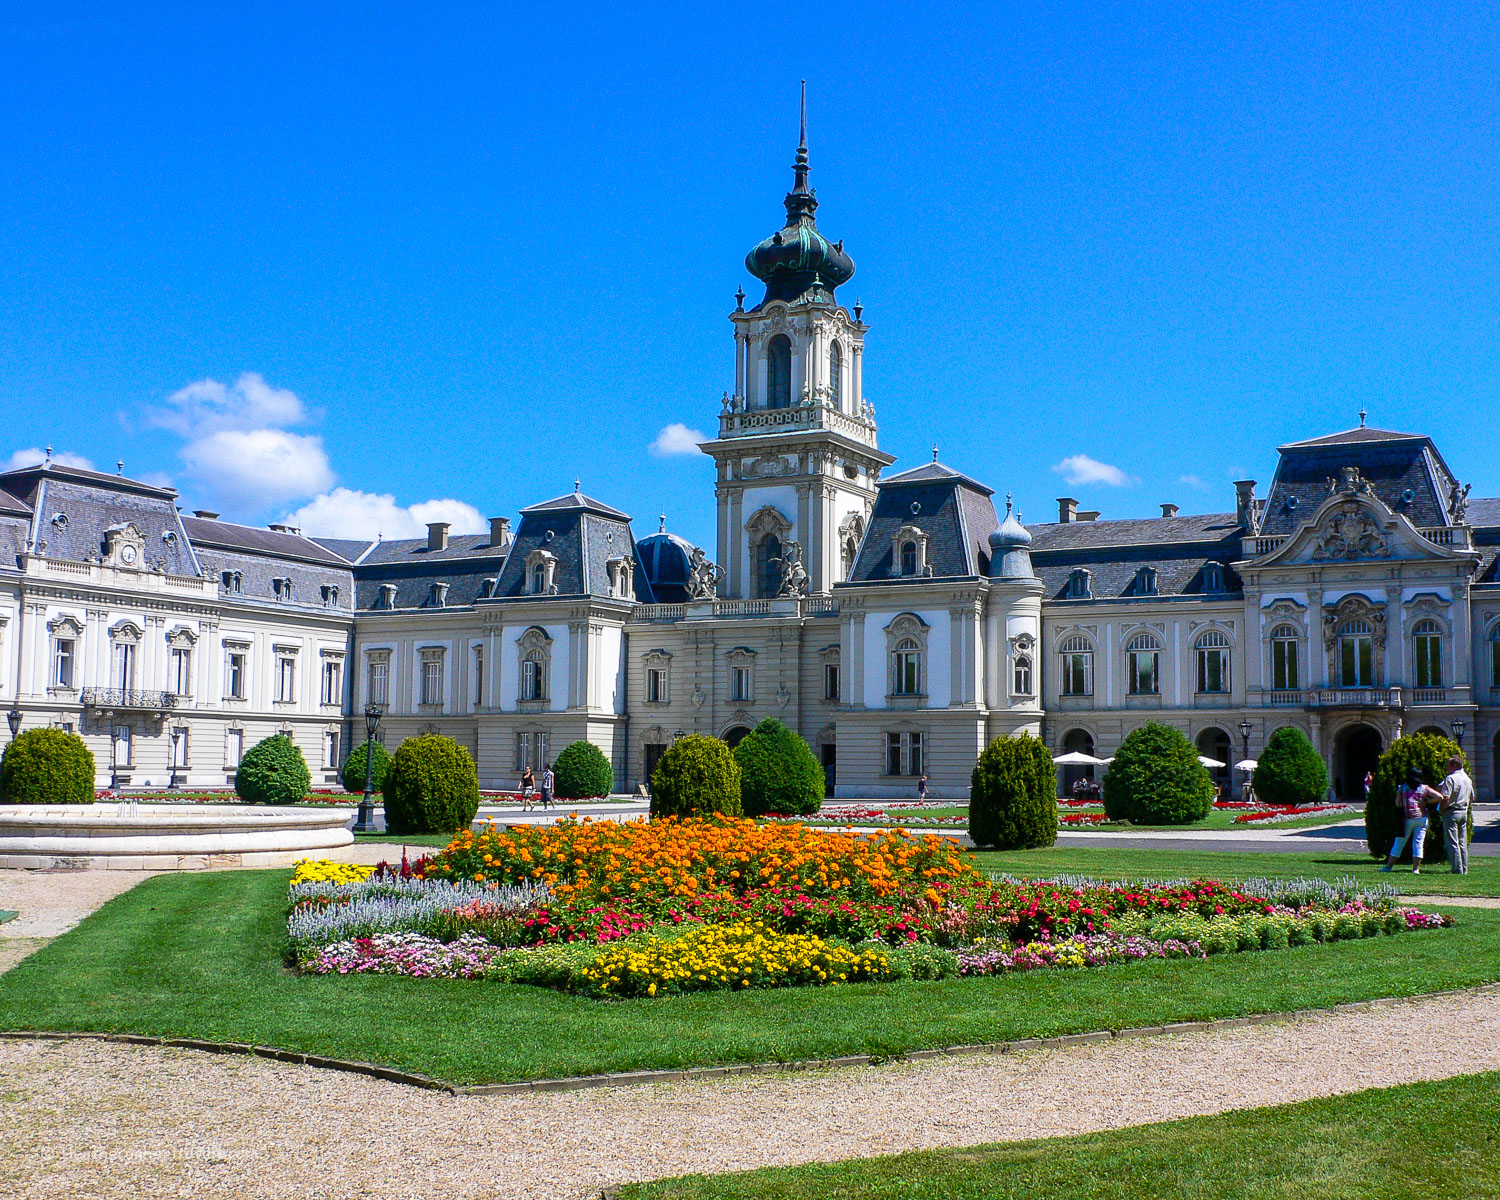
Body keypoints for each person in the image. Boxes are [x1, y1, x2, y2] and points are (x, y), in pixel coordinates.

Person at [1382, 767, 1443, 873]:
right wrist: (1426, 802)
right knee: (1418, 843)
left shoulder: (1402, 788)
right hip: (1422, 818)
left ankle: (1388, 867)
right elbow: (1439, 797)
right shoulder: (1424, 788)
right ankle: (1416, 868)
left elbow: (1397, 804)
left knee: (1399, 843)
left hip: (1407, 819)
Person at [1437, 755, 1474, 875]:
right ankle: (1464, 868)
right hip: (1464, 811)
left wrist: (1442, 809)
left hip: (1452, 811)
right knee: (1462, 842)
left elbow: (1445, 797)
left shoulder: (1450, 778)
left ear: (1455, 765)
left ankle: (1456, 868)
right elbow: (1472, 796)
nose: (1447, 767)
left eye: (1449, 764)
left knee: (1452, 841)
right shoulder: (1467, 779)